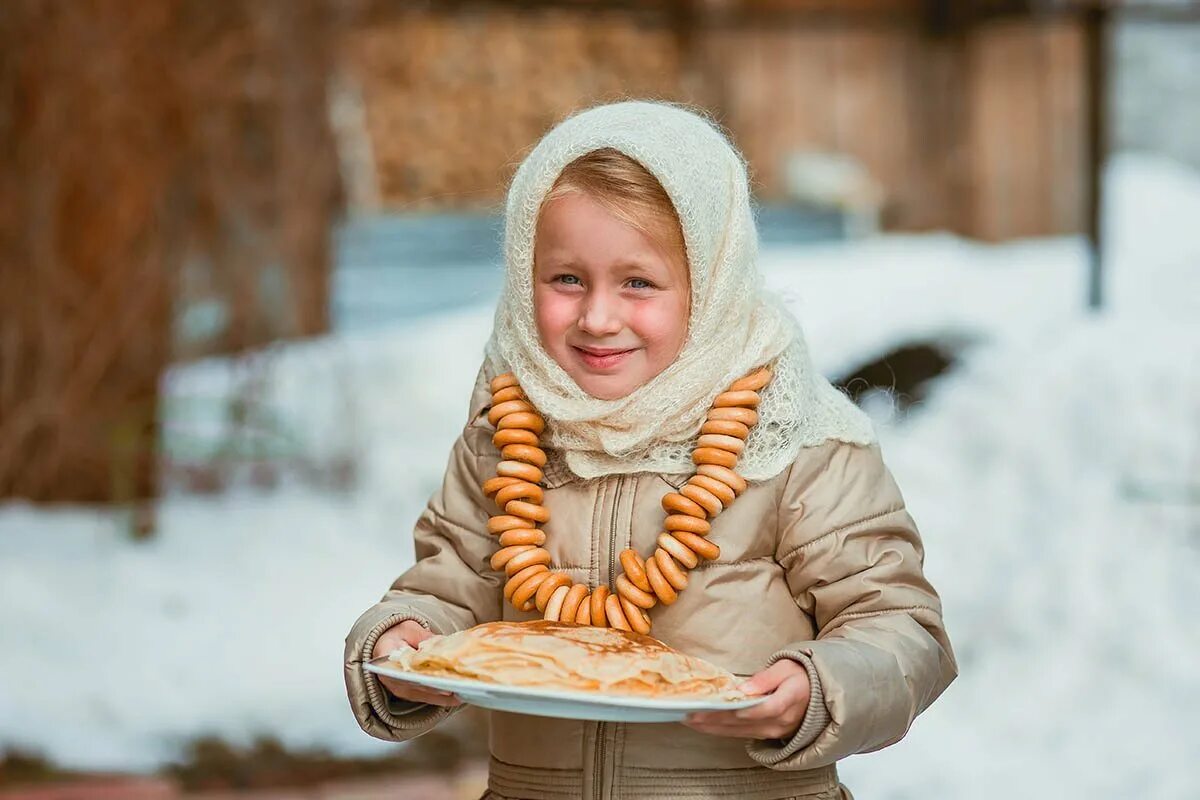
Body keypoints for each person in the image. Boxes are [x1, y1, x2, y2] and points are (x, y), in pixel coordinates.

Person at [343, 100, 957, 800]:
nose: (598, 317)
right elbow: (446, 586)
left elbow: (900, 627)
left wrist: (820, 687)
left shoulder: (799, 443)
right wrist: (398, 643)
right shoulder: (505, 432)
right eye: (566, 278)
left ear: (712, 283)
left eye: (638, 282)